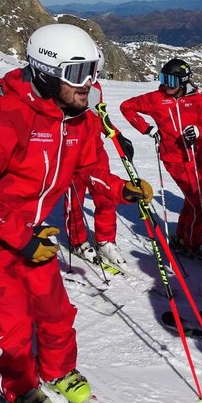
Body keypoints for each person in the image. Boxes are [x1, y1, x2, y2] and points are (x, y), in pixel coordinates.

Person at [0, 23, 153, 403]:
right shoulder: (4, 118)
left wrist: (123, 191)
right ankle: (19, 386)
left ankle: (57, 370)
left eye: (93, 69)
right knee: (15, 319)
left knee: (54, 310)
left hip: (30, 236)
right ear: (43, 73)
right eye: (76, 73)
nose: (87, 83)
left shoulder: (80, 122)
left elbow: (90, 171)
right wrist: (19, 235)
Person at [120, 58, 202, 258]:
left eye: (171, 81)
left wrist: (198, 132)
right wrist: (146, 128)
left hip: (197, 157)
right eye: (163, 79)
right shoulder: (156, 98)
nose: (165, 85)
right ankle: (191, 244)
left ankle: (183, 236)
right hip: (174, 158)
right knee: (198, 203)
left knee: (194, 200)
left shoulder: (196, 99)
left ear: (183, 82)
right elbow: (126, 107)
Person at [63, 51, 135, 270]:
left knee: (106, 198)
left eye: (96, 74)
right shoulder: (63, 91)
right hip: (71, 155)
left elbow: (100, 116)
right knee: (74, 202)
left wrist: (116, 134)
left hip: (96, 153)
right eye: (88, 73)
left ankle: (105, 240)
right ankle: (77, 241)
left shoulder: (95, 90)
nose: (90, 80)